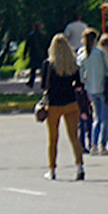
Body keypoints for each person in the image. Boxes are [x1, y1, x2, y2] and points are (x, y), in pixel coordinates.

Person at [41, 33, 85, 181]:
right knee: (74, 136)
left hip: (54, 105)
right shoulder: (73, 64)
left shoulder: (48, 64)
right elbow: (78, 85)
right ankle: (79, 167)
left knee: (53, 138)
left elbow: (44, 86)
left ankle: (52, 170)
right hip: (71, 103)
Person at [79, 28, 108, 154]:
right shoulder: (101, 53)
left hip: (90, 89)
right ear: (95, 40)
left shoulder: (82, 55)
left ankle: (93, 145)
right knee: (105, 118)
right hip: (103, 88)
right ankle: (103, 145)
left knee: (96, 118)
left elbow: (81, 76)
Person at [24, 22, 50, 90]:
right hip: (42, 54)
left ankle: (31, 82)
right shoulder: (43, 35)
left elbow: (27, 45)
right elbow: (47, 45)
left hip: (33, 54)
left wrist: (24, 54)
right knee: (43, 69)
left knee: (33, 69)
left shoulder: (31, 35)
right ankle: (43, 83)